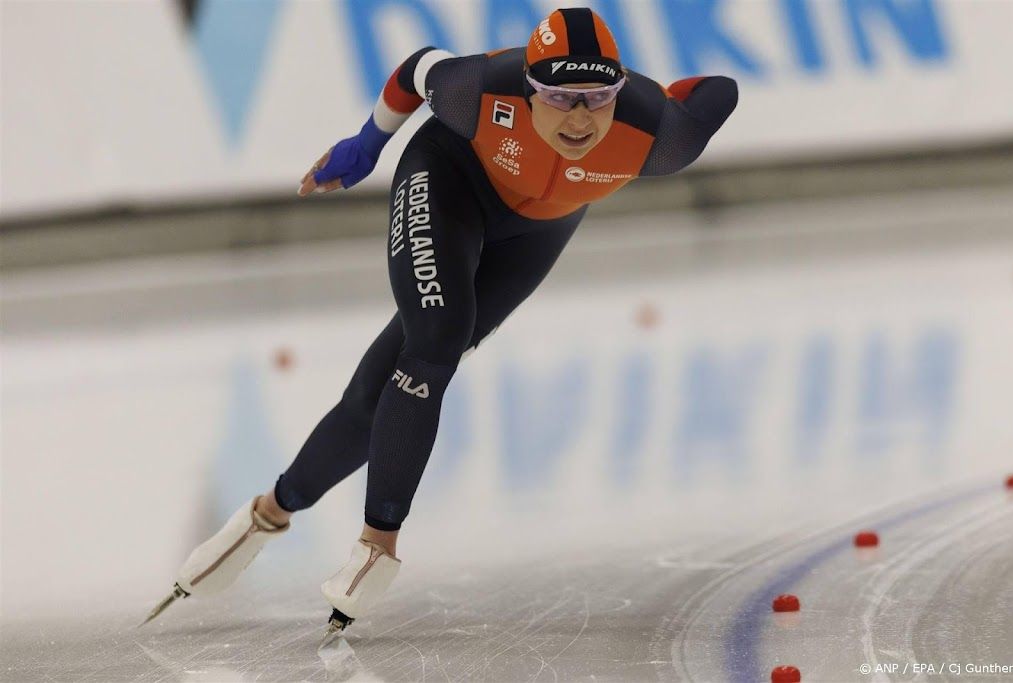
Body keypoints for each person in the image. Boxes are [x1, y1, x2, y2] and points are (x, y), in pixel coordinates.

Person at [145, 7, 738, 638]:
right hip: (450, 178)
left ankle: (268, 513)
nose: (580, 118)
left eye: (598, 97)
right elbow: (413, 67)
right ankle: (378, 545)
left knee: (385, 392)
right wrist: (367, 142)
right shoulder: (478, 90)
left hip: (540, 229)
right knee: (437, 336)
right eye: (560, 97)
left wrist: (661, 95)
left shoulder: (661, 137)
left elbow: (717, 92)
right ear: (530, 87)